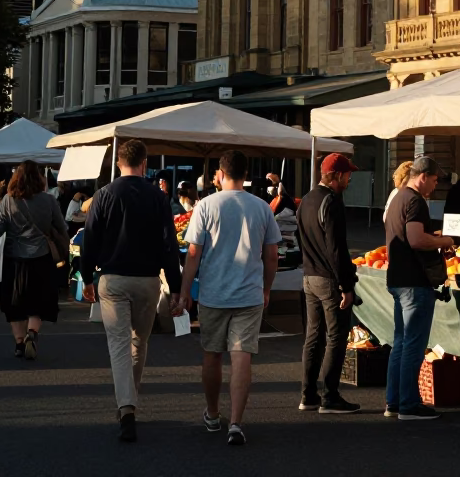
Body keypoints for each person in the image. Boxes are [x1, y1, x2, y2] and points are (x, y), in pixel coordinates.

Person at [81, 139, 184, 442]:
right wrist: (176, 288)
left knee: (118, 344)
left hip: (112, 278)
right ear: (145, 163)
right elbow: (169, 246)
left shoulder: (104, 195)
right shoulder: (158, 197)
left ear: (118, 163)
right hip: (148, 280)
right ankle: (130, 399)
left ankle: (127, 406)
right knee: (140, 341)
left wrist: (86, 276)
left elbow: (90, 239)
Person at [179, 150, 281, 446]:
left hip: (213, 294)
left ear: (220, 175)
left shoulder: (206, 206)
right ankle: (236, 423)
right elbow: (272, 255)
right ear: (245, 174)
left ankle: (213, 414)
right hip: (249, 294)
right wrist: (266, 288)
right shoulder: (261, 207)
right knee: (242, 358)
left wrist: (185, 292)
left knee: (212, 355)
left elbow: (194, 253)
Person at [383, 156, 454, 421]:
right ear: (423, 176)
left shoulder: (397, 198)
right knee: (413, 344)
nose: (434, 187)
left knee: (400, 343)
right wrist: (443, 240)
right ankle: (409, 405)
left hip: (398, 279)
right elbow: (414, 239)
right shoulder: (415, 201)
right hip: (415, 281)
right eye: (434, 181)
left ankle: (394, 402)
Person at [297, 153, 362, 414]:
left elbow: (300, 238)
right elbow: (337, 249)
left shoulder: (307, 200)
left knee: (313, 337)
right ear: (336, 176)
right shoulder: (331, 202)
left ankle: (308, 395)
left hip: (309, 276)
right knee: (336, 336)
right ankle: (330, 397)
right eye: (347, 175)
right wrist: (346, 285)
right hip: (328, 279)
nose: (349, 179)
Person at [0, 161, 67, 361]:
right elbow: (61, 227)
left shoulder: (8, 200)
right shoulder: (49, 200)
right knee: (38, 301)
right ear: (40, 178)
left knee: (14, 303)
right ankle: (32, 333)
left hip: (13, 259)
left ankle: (18, 343)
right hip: (42, 257)